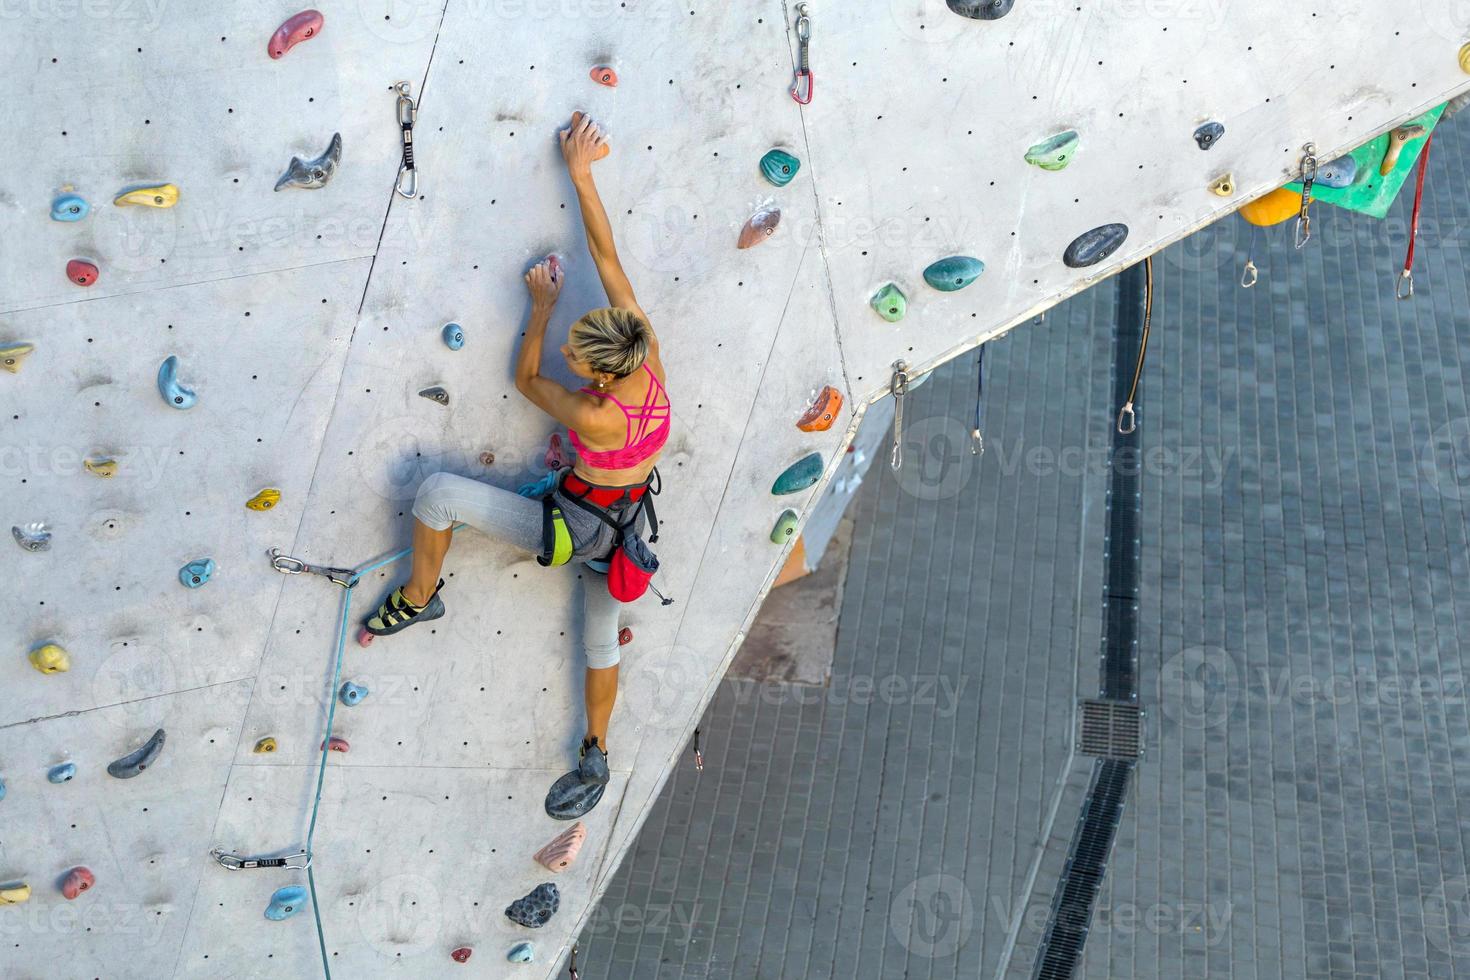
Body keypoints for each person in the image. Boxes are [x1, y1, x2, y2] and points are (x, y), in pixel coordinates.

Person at [363, 112, 670, 816]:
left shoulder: (596, 416)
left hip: (579, 527)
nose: (569, 353)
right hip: (627, 529)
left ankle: (419, 598)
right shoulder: (647, 352)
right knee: (601, 641)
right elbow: (609, 258)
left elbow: (528, 381)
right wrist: (583, 175)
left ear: (598, 375)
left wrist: (541, 309)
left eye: (578, 357)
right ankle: (595, 752)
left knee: (437, 495)